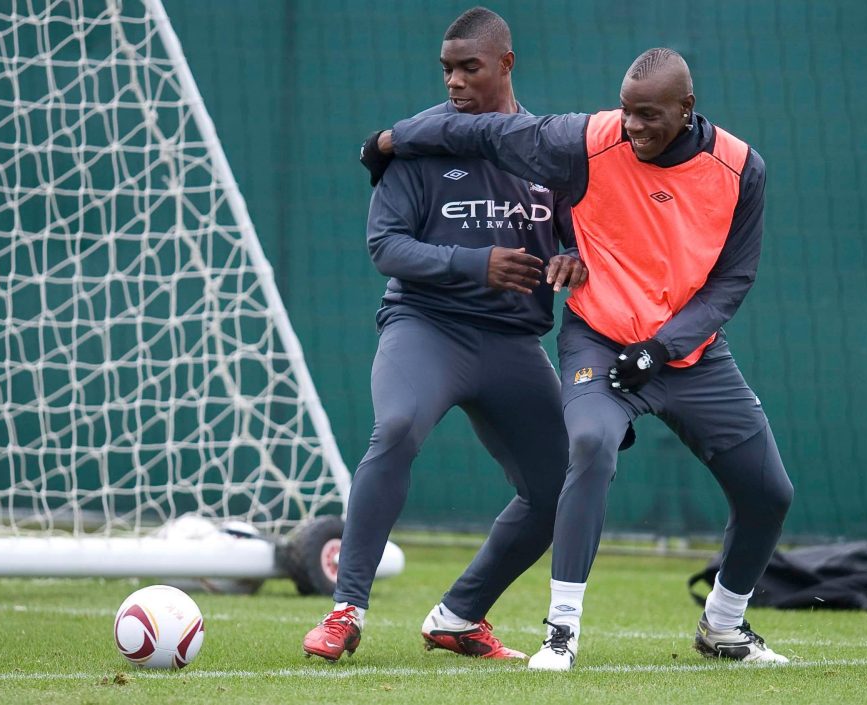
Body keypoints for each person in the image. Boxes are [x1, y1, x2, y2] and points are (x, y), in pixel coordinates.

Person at [362, 47, 794, 670]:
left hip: (691, 355)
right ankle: (559, 634)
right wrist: (387, 141)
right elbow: (480, 130)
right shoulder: (584, 140)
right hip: (600, 341)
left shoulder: (741, 166)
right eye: (626, 112)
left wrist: (664, 348)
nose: (634, 127)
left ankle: (723, 625)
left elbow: (732, 280)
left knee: (769, 494)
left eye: (648, 115)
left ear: (687, 109)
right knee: (588, 445)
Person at [302, 7, 587, 662]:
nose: (455, 81)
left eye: (470, 67)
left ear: (506, 65)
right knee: (396, 427)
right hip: (427, 326)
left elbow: (579, 238)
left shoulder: (549, 151)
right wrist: (474, 263)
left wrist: (573, 257)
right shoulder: (421, 148)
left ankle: (459, 615)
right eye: (447, 69)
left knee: (556, 488)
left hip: (514, 342)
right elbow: (385, 247)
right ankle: (346, 610)